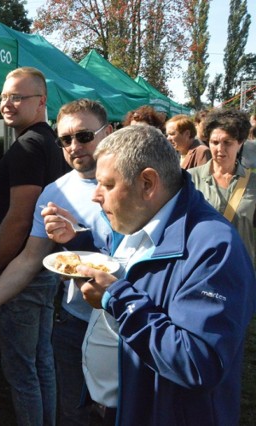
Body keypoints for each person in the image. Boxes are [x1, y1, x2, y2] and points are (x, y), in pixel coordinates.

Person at [49, 124, 255, 425]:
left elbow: (198, 362)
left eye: (106, 184)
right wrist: (78, 244)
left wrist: (115, 298)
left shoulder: (214, 246)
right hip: (111, 409)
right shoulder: (136, 219)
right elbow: (130, 267)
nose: (96, 195)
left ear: (147, 183)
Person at [0, 99, 113, 426]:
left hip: (124, 324)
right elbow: (29, 258)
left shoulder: (136, 186)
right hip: (74, 320)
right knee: (73, 415)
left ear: (107, 132)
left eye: (84, 136)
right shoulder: (55, 192)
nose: (74, 146)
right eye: (65, 139)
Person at [0, 66, 66, 426]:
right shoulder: (49, 142)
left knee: (21, 369)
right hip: (45, 268)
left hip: (22, 273)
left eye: (17, 96)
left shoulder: (29, 146)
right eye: (4, 96)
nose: (7, 103)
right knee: (41, 359)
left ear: (41, 101)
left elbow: (18, 219)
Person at [188, 108, 255, 267]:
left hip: (242, 268)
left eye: (227, 142)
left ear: (240, 143)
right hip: (202, 268)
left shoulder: (253, 182)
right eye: (215, 142)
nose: (220, 149)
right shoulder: (190, 179)